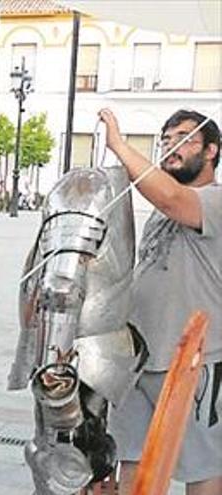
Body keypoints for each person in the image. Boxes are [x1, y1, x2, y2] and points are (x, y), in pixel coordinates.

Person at [99, 108, 221, 495]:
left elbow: (171, 198)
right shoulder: (162, 212)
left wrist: (119, 146)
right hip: (138, 360)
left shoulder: (213, 200)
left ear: (212, 151)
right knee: (132, 461)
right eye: (166, 140)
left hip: (192, 364)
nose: (172, 147)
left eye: (184, 139)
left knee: (202, 468)